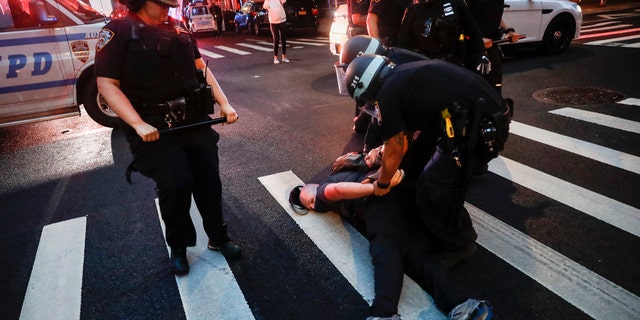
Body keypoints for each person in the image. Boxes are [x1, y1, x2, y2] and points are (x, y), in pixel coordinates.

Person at [94, 0, 241, 275]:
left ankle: (218, 238)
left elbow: (202, 69)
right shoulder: (117, 32)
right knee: (175, 183)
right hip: (154, 124)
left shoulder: (178, 28)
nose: (167, 9)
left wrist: (225, 103)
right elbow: (106, 85)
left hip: (193, 117)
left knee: (208, 180)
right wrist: (137, 124)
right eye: (161, 3)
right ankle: (178, 246)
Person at [344, 54, 512, 268]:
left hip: (479, 129)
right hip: (474, 119)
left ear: (367, 86)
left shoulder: (388, 92)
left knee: (433, 186)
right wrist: (385, 170)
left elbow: (397, 145)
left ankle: (460, 242)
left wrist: (383, 183)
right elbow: (404, 137)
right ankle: (429, 217)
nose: (370, 105)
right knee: (415, 162)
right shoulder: (401, 74)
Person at [288, 149, 493, 320]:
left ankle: (384, 313)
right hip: (405, 195)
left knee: (385, 249)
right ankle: (465, 304)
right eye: (307, 201)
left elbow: (334, 191)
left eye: (306, 198)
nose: (309, 199)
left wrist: (375, 188)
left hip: (380, 198)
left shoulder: (327, 187)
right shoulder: (348, 171)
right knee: (414, 256)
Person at [396, 0, 487, 72]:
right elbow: (403, 44)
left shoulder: (455, 3)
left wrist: (481, 54)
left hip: (454, 64)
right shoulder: (413, 10)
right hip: (425, 67)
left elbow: (473, 31)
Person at [467, 0, 520, 94]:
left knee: (496, 87)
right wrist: (478, 38)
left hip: (493, 44)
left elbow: (495, 17)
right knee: (477, 91)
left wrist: (508, 30)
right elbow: (463, 19)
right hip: (473, 48)